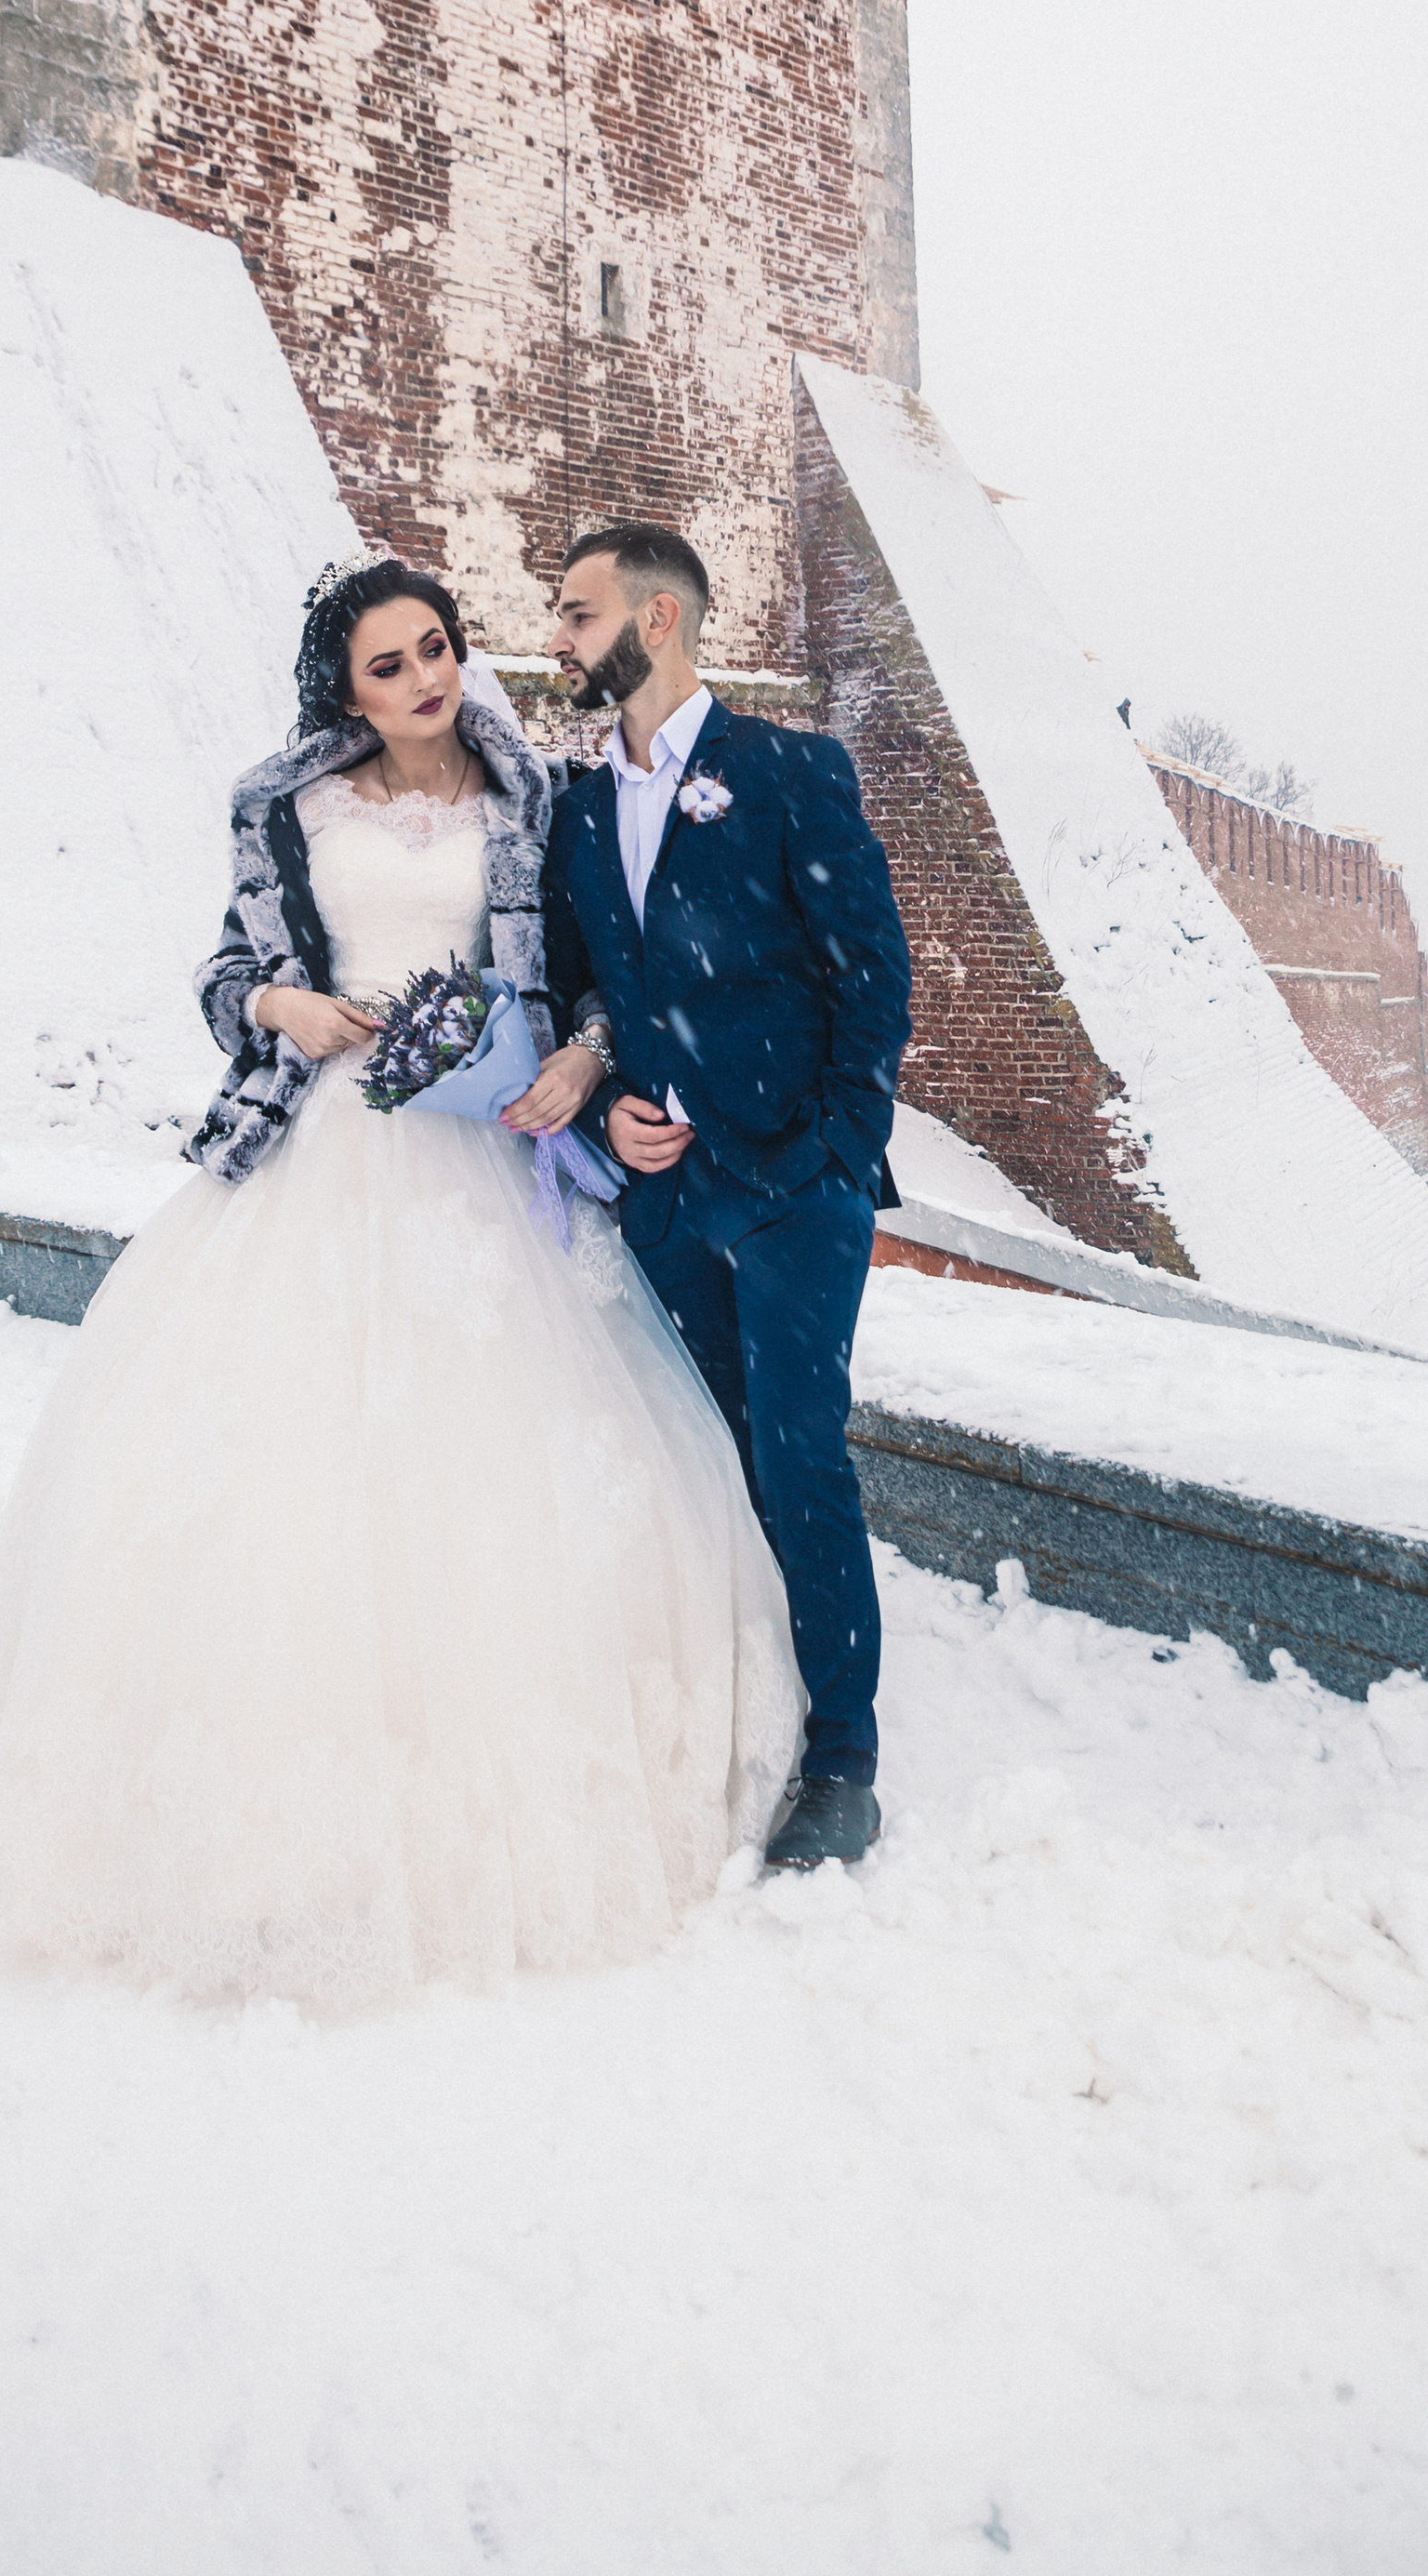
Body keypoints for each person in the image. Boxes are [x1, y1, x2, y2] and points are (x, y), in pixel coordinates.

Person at [0, 551, 804, 2016]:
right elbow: (222, 975)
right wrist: (278, 1002)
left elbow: (593, 981)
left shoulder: (537, 801)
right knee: (283, 1486)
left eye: (437, 649)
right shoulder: (285, 806)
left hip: (486, 1158)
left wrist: (577, 1060)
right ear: (344, 689)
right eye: (386, 665)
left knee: (502, 1483)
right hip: (324, 1148)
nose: (422, 681)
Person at [519, 523, 912, 1869]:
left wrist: (835, 1155)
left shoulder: (791, 773)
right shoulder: (577, 810)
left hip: (796, 1188)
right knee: (708, 1458)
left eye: (576, 615)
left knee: (804, 1457)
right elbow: (590, 984)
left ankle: (845, 1757)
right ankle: (750, 1702)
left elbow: (874, 980)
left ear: (658, 621)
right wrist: (609, 1086)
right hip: (665, 1197)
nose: (559, 638)